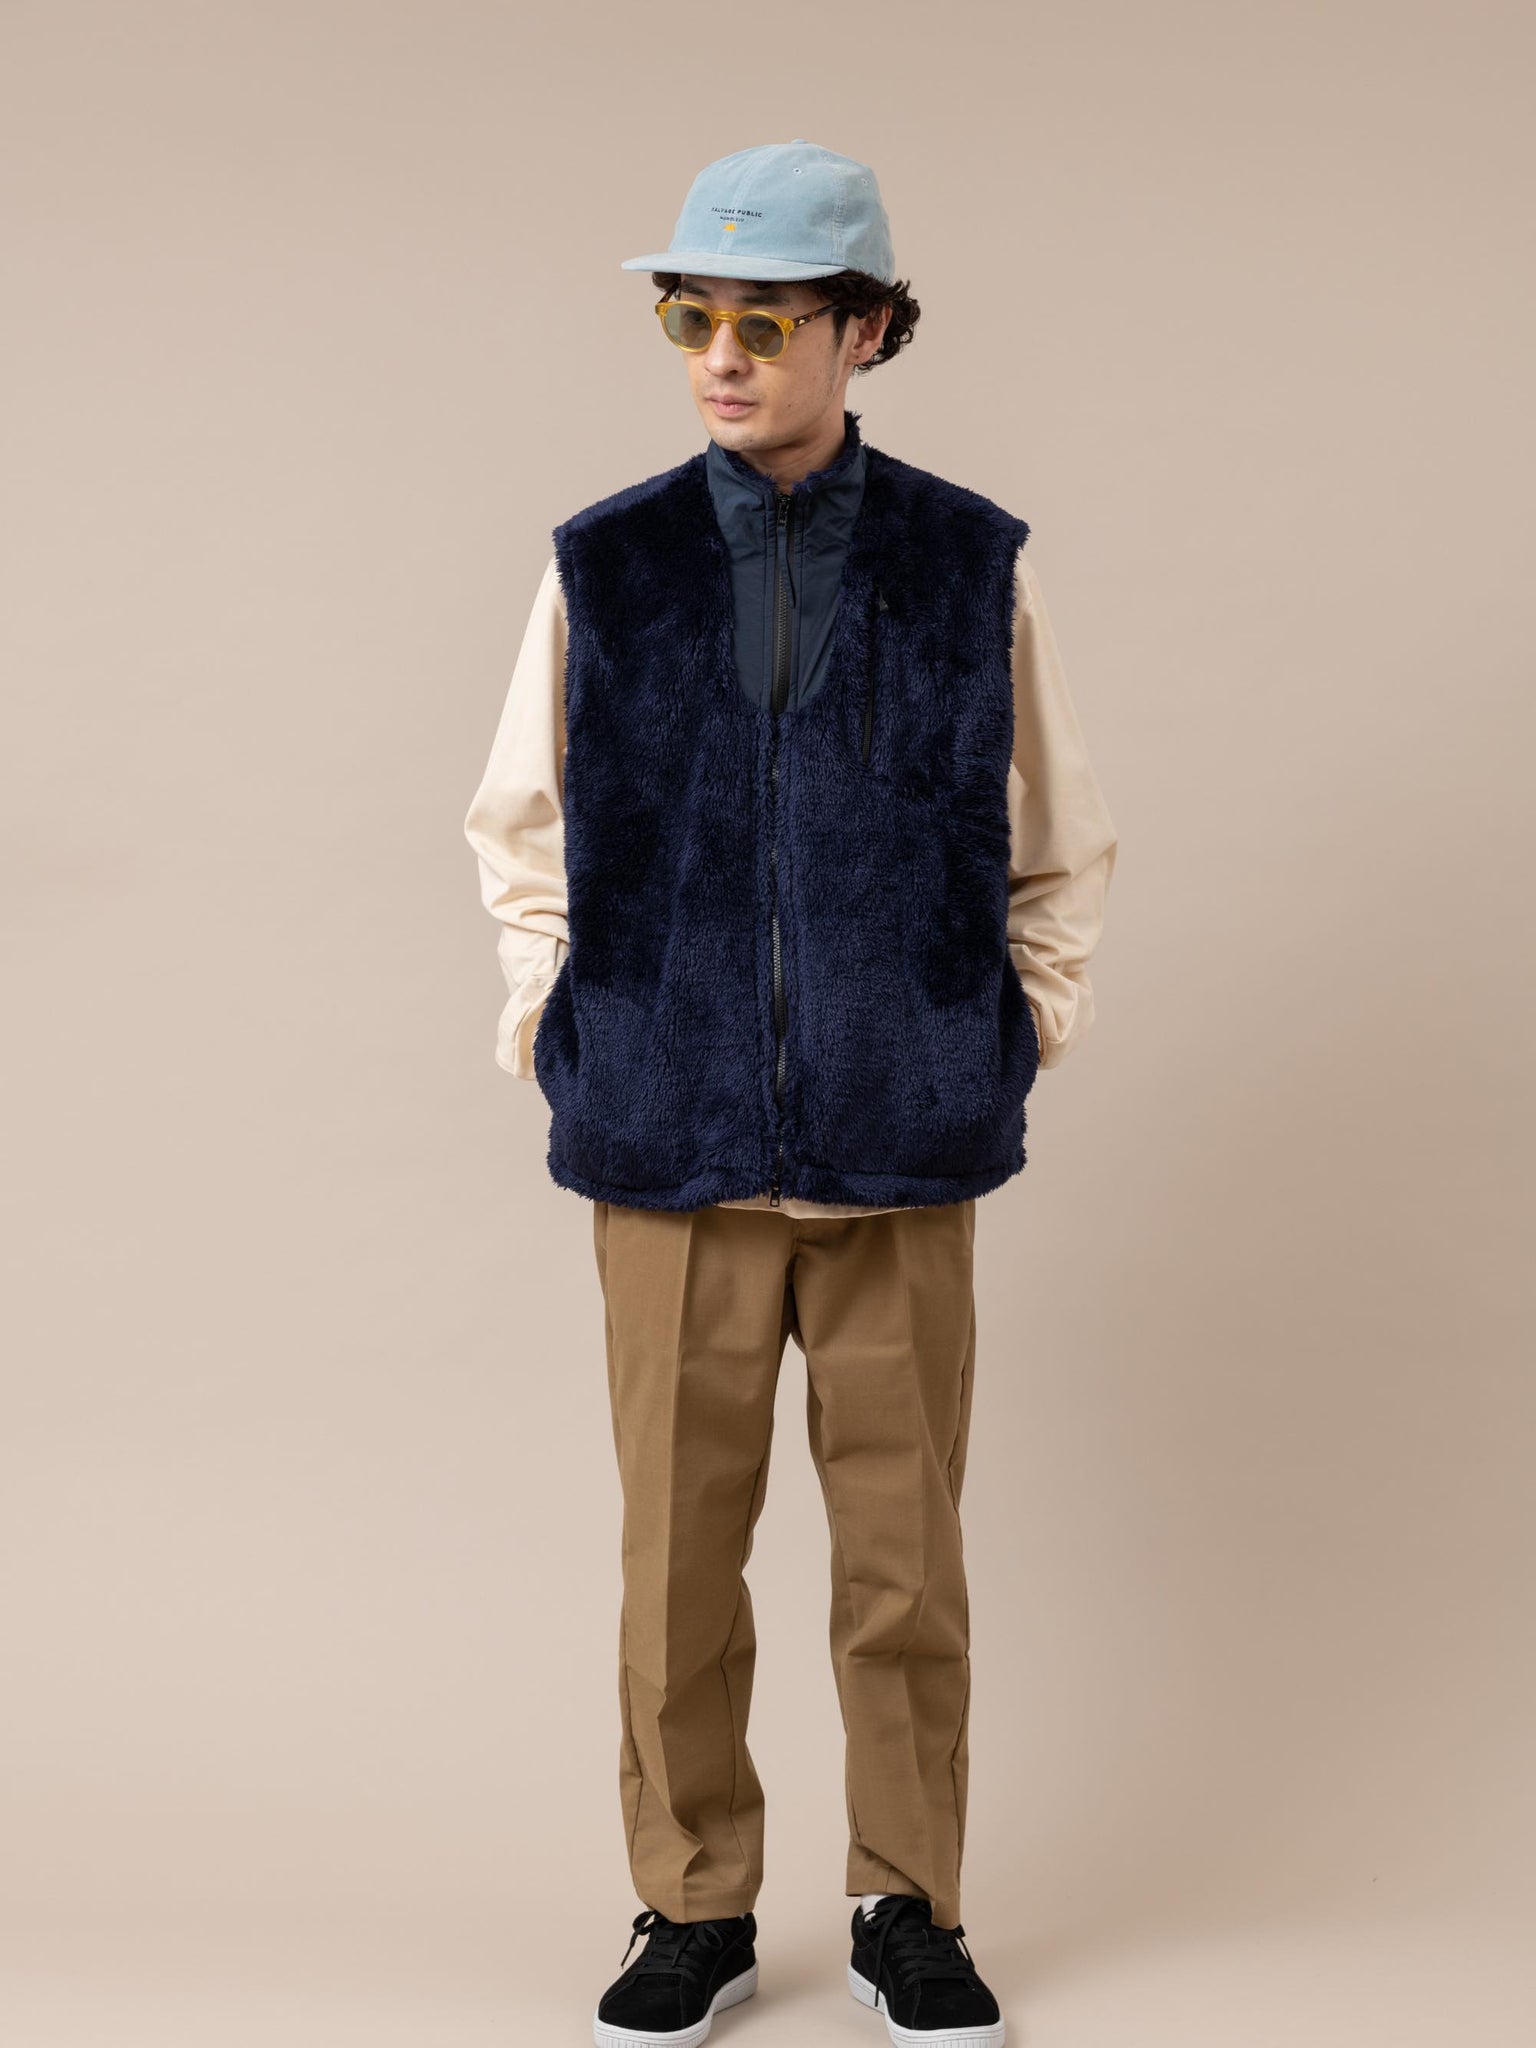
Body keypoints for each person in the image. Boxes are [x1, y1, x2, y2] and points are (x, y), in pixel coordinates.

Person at [463, 138, 1118, 2048]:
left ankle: (911, 1902)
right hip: (664, 1140)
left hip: (901, 1143)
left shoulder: (970, 563)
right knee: (677, 1562)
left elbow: (1062, 839)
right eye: (692, 319)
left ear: (869, 331)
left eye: (764, 323)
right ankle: (693, 1906)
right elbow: (519, 824)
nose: (722, 358)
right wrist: (558, 1023)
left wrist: (1003, 1031)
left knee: (905, 1565)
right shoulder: (604, 562)